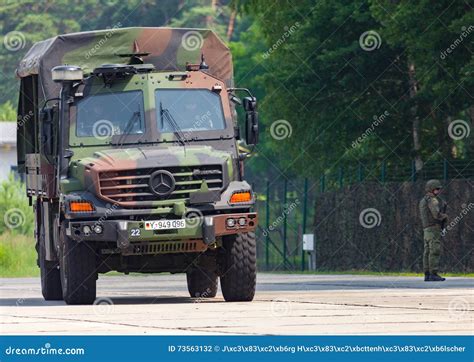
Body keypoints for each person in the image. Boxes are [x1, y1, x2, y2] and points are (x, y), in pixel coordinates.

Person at [419, 180, 448, 282]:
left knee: (427, 251)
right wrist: (444, 216)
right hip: (433, 228)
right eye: (437, 189)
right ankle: (433, 273)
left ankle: (427, 274)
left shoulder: (424, 200)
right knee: (434, 250)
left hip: (426, 229)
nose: (438, 191)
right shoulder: (432, 200)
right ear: (431, 189)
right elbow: (436, 214)